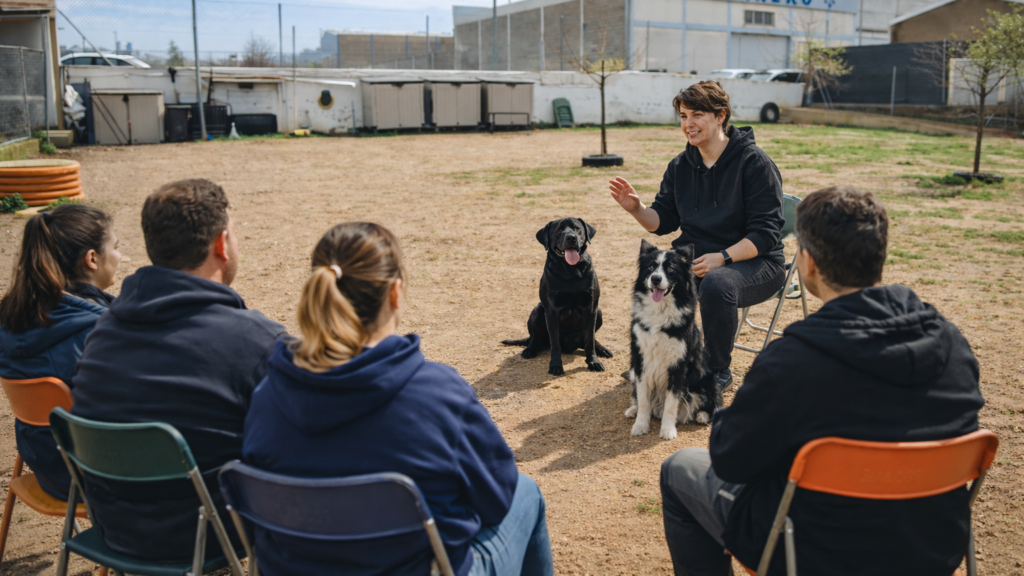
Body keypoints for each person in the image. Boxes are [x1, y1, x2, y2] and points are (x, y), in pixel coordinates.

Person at [659, 186, 986, 576]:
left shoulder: (792, 361)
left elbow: (730, 457)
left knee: (680, 469)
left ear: (808, 263)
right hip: (929, 549)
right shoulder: (952, 344)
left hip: (814, 552)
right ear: (879, 257)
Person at [242, 222, 553, 576]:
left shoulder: (267, 396)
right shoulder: (438, 394)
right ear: (395, 293)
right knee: (525, 493)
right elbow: (497, 499)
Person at [71, 179, 284, 561]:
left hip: (115, 530)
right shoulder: (255, 340)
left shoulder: (103, 330)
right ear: (221, 244)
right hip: (206, 534)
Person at [610, 81, 785, 391]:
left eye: (697, 115)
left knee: (717, 285)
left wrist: (723, 258)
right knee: (658, 275)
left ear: (720, 116)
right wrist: (636, 209)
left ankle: (715, 370)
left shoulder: (755, 164)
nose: (688, 124)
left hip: (756, 262)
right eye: (683, 115)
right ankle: (657, 362)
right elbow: (663, 221)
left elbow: (766, 233)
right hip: (699, 260)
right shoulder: (680, 166)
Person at [0, 204, 120, 500]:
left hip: (48, 467)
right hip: (99, 478)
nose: (119, 256)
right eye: (115, 247)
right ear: (92, 258)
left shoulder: (12, 316)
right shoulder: (98, 331)